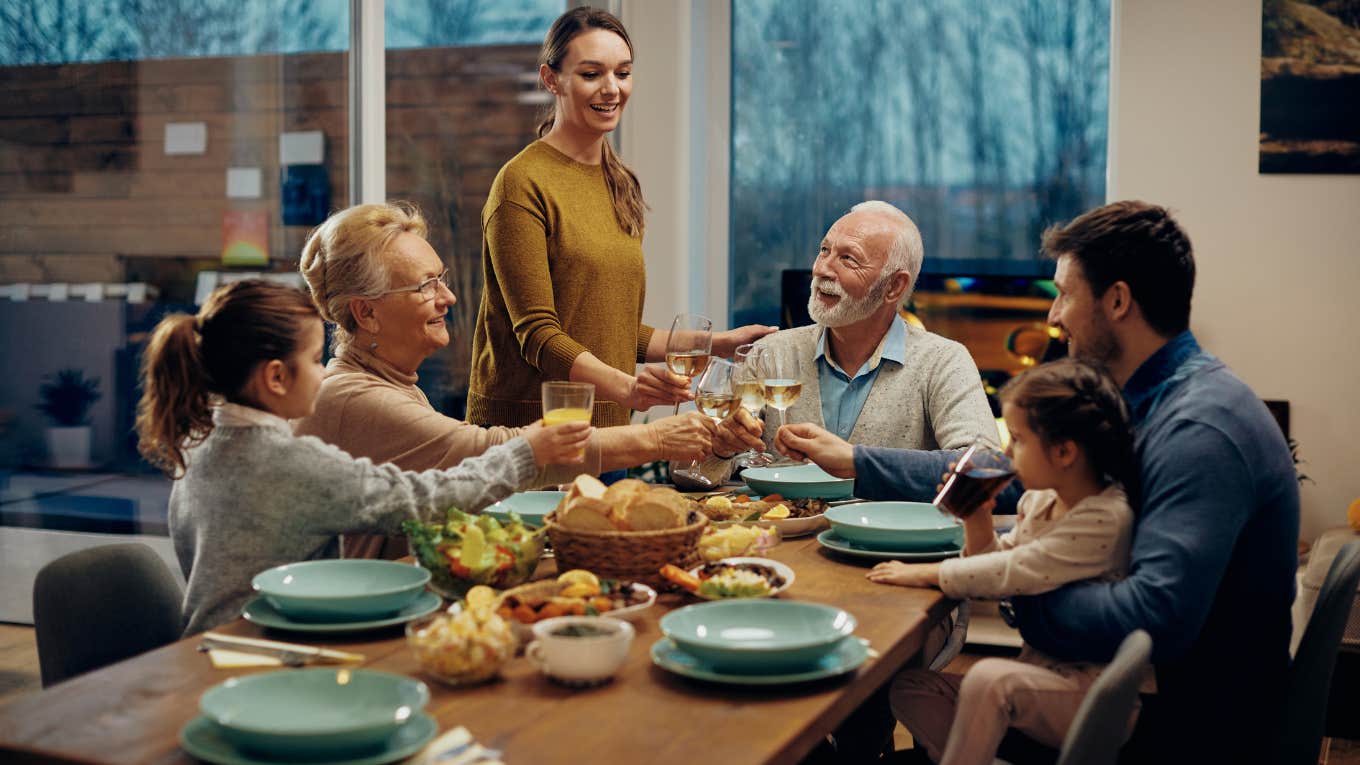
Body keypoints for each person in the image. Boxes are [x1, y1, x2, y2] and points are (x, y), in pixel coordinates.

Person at [786, 201, 1298, 763]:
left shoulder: (1200, 428)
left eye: (1064, 294)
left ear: (1118, 301)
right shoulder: (1147, 398)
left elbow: (1155, 621)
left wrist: (1017, 592)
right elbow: (1005, 480)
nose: (1054, 316)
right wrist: (859, 459)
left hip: (1176, 728)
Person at [135, 281, 589, 636]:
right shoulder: (284, 462)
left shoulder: (201, 441)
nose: (324, 374)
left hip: (206, 647)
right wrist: (525, 453)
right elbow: (423, 500)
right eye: (315, 360)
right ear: (275, 377)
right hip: (260, 646)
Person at [295, 202, 718, 558]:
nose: (448, 296)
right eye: (426, 286)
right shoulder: (352, 397)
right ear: (366, 313)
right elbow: (490, 454)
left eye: (440, 278)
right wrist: (658, 439)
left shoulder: (394, 383)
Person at [467, 6, 774, 432]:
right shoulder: (521, 183)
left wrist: (719, 344)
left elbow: (613, 327)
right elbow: (538, 334)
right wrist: (628, 387)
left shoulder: (618, 180)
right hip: (531, 432)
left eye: (623, 73)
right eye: (591, 74)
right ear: (551, 79)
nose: (612, 88)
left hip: (610, 428)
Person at [872, 358, 1142, 765]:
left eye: (1016, 439)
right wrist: (977, 518)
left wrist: (920, 573)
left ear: (1065, 451)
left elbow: (1010, 573)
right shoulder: (1039, 500)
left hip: (1088, 696)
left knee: (988, 678)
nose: (1006, 452)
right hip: (1038, 676)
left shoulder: (1105, 517)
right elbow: (995, 561)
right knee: (910, 686)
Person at [708, 200, 998, 475]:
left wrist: (859, 462)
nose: (821, 269)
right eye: (824, 250)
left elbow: (985, 467)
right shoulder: (768, 354)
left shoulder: (944, 361)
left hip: (890, 528)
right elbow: (688, 474)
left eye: (848, 259)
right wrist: (720, 450)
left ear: (894, 286)